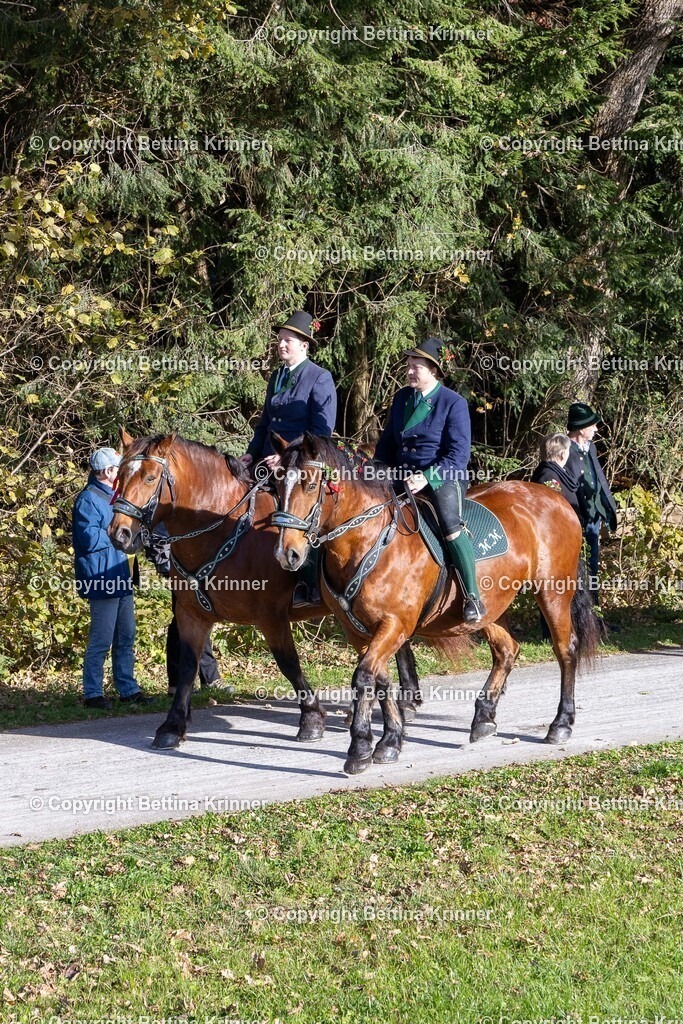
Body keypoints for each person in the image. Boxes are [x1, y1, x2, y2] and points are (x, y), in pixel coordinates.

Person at [374, 337, 485, 624]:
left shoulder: (453, 403)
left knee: (450, 525)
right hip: (401, 475)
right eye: (409, 366)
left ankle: (472, 596)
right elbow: (387, 443)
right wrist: (375, 470)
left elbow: (458, 454)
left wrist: (426, 478)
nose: (410, 371)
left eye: (416, 367)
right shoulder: (401, 399)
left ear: (433, 371)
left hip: (442, 477)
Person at [240, 310, 337, 607]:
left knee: (301, 512)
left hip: (303, 464)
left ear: (304, 345)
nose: (281, 345)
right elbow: (264, 424)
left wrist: (285, 458)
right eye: (280, 340)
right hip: (270, 459)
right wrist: (250, 453)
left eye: (288, 341)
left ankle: (309, 586)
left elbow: (321, 433)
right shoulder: (277, 377)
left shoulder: (319, 378)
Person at [72, 447, 154, 709]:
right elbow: (86, 539)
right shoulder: (88, 500)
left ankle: (127, 689)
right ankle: (92, 694)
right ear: (107, 472)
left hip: (122, 578)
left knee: (126, 637)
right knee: (101, 640)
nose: (121, 473)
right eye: (118, 469)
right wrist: (116, 532)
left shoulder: (115, 496)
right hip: (101, 579)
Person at [144, 526, 234, 698]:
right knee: (184, 619)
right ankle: (184, 682)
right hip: (179, 565)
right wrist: (164, 561)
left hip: (200, 564)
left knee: (198, 618)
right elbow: (161, 529)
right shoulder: (169, 500)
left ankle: (201, 679)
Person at [565, 402, 617, 603]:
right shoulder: (565, 449)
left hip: (594, 516)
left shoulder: (591, 447)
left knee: (592, 566)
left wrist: (606, 507)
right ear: (581, 428)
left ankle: (595, 614)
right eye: (592, 425)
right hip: (575, 518)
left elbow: (599, 479)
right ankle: (576, 614)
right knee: (575, 568)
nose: (596, 429)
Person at [531, 433, 583, 523]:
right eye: (568, 450)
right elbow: (555, 507)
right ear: (563, 454)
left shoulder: (563, 471)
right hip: (559, 527)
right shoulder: (547, 476)